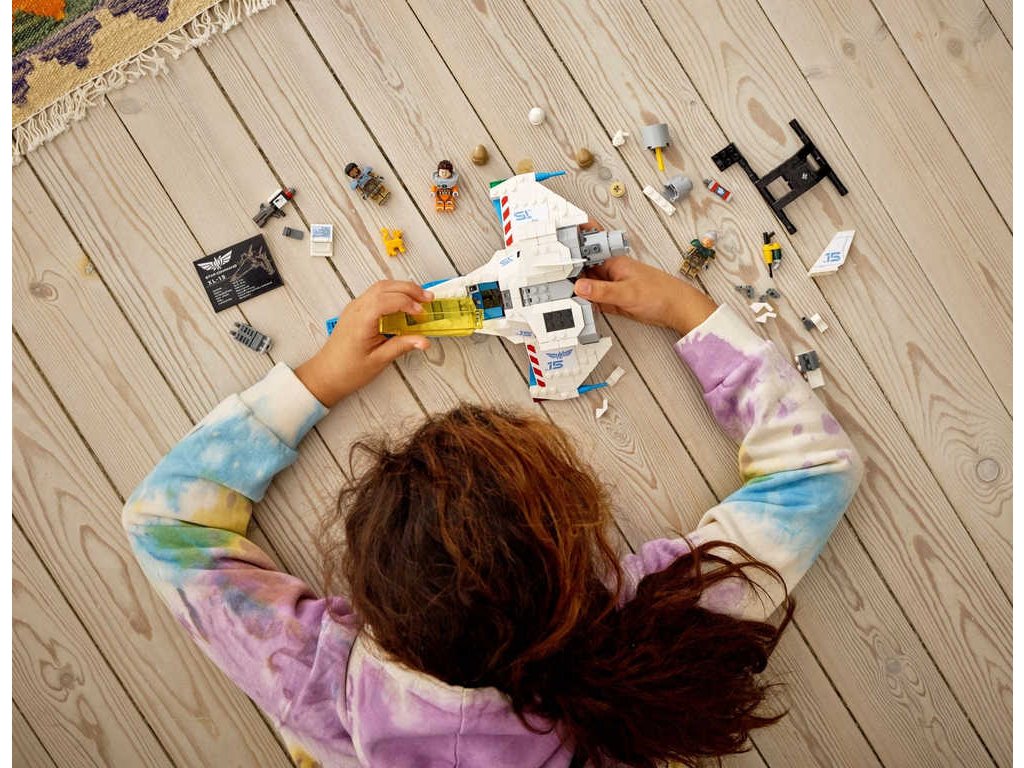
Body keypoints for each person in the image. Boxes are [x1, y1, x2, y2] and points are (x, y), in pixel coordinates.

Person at [124, 256, 862, 768]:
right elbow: (815, 468)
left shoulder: (319, 689)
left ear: (371, 598)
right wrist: (686, 310)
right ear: (577, 549)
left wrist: (320, 377)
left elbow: (164, 522)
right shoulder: (655, 626)